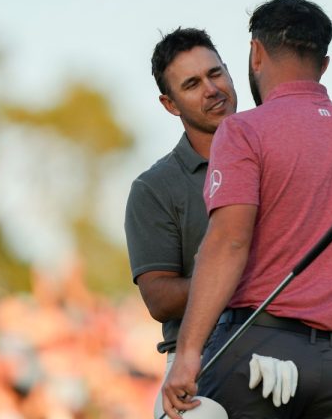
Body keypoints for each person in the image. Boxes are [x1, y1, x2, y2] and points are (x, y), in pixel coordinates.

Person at [163, 0, 332, 419]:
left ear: (255, 53)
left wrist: (187, 353)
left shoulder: (243, 131)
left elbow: (229, 242)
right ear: (324, 64)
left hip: (263, 352)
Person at [123, 27, 237, 419]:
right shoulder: (154, 187)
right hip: (196, 368)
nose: (211, 89)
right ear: (170, 104)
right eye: (192, 84)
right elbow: (159, 297)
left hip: (283, 353)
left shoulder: (279, 156)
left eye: (215, 73)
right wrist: (238, 270)